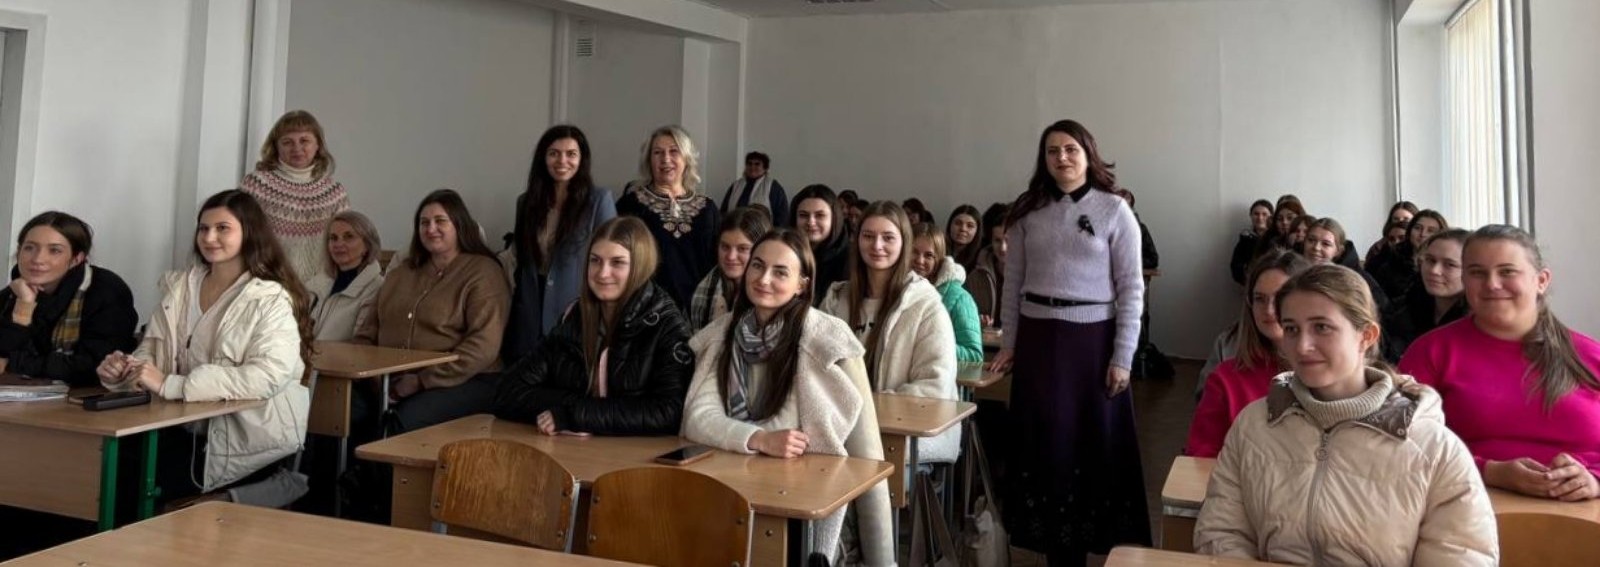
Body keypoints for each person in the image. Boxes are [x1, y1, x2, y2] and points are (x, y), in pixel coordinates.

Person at [1195, 264, 1497, 565]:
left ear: (1366, 336)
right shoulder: (1253, 426)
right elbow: (1222, 532)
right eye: (1291, 329)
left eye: (1321, 327)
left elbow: (1460, 555)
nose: (1302, 346)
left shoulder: (1434, 449)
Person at [681, 229, 893, 565]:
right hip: (730, 492)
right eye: (757, 266)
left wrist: (882, 560)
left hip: (806, 506)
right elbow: (698, 417)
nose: (764, 279)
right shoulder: (722, 333)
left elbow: (867, 461)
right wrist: (759, 439)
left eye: (780, 272)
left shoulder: (827, 341)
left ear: (802, 285)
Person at [989, 120, 1149, 563]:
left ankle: (1091, 544)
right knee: (1045, 443)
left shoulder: (1114, 211)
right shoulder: (1027, 212)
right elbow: (1013, 283)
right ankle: (1054, 549)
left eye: (1070, 149)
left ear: (1088, 154)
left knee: (1088, 444)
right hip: (1039, 341)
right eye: (1052, 151)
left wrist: (1123, 357)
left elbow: (1132, 288)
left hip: (1092, 344)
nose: (1061, 157)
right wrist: (1010, 343)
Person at [97, 190, 313, 507]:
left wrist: (173, 385)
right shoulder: (180, 288)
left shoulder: (269, 298)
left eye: (223, 228)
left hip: (242, 439)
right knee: (99, 465)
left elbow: (268, 376)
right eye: (203, 228)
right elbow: (151, 352)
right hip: (175, 425)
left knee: (129, 479)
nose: (209, 237)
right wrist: (126, 372)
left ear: (249, 233)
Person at [1399, 225, 1600, 501]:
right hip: (1465, 506)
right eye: (1477, 273)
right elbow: (1399, 443)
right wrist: (1489, 471)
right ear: (1465, 280)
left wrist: (1595, 480)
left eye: (1507, 272)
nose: (1492, 284)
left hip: (1585, 514)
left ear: (1541, 280)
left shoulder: (1590, 355)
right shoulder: (1431, 352)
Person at [493, 217, 691, 436]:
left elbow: (668, 412)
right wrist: (575, 407)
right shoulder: (574, 316)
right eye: (595, 260)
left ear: (640, 267)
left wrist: (575, 415)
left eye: (617, 262)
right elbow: (506, 392)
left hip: (641, 453)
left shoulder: (666, 323)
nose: (603, 273)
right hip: (577, 449)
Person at [354, 189, 510, 434]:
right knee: (341, 406)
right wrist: (372, 377)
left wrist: (422, 381)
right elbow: (367, 334)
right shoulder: (399, 274)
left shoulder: (484, 272)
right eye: (424, 222)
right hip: (387, 380)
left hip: (465, 380)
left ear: (459, 225)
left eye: (440, 221)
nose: (431, 229)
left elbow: (483, 347)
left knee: (403, 419)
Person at [821, 201, 960, 468]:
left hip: (902, 438)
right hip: (840, 433)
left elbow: (934, 387)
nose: (877, 246)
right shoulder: (836, 300)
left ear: (904, 243)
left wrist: (864, 411)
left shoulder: (926, 306)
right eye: (868, 236)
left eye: (888, 238)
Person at [504, 125, 618, 363]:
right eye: (554, 153)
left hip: (577, 308)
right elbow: (523, 261)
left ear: (581, 159)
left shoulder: (599, 201)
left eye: (571, 154)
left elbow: (610, 259)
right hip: (530, 310)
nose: (562, 161)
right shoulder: (526, 202)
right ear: (543, 158)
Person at [1184, 250, 1309, 457]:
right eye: (1260, 299)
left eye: (1280, 298)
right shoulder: (1225, 378)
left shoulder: (1326, 375)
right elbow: (1201, 455)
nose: (1269, 310)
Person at [0, 212, 138, 386]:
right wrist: (24, 306)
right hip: (25, 396)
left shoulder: (106, 290)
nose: (38, 259)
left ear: (76, 259)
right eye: (29, 248)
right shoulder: (14, 293)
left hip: (90, 396)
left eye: (54, 250)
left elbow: (94, 366)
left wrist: (13, 363)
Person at [240, 110, 351, 285]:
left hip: (320, 288)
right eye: (287, 142)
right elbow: (240, 236)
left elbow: (344, 242)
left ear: (318, 145)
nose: (297, 148)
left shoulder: (334, 193)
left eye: (304, 141)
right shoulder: (256, 185)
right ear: (276, 147)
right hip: (265, 284)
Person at [615, 125, 720, 310]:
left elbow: (716, 263)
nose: (666, 159)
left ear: (686, 158)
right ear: (649, 160)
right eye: (658, 152)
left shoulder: (707, 208)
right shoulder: (630, 205)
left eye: (674, 151)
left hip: (698, 309)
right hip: (646, 308)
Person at [1382, 229, 1470, 361]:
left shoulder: (1479, 322)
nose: (1434, 270)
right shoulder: (1404, 308)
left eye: (1450, 265)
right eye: (1430, 260)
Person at [689, 207, 772, 332]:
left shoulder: (770, 295)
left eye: (742, 249)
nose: (731, 257)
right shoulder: (705, 287)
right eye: (725, 247)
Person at [910, 222, 983, 363]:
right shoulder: (893, 290)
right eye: (914, 252)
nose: (919, 260)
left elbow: (974, 356)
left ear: (938, 259)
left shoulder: (960, 298)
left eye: (928, 255)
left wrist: (927, 346)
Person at [307, 211, 384, 342]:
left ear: (367, 245)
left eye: (349, 237)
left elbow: (360, 343)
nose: (339, 244)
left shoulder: (376, 288)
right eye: (333, 238)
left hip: (339, 354)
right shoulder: (317, 282)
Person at [1301, 217, 1389, 312]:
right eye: (1311, 240)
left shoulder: (1357, 280)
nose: (1316, 247)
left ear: (1339, 251)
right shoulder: (1294, 271)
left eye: (1326, 244)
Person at [790, 184, 850, 307]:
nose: (811, 222)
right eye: (803, 215)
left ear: (834, 218)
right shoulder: (786, 253)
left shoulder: (851, 259)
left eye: (820, 215)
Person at [1369, 210, 1449, 301]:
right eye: (1417, 228)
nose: (1422, 234)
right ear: (1410, 231)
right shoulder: (1390, 258)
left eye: (1431, 230)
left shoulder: (1447, 263)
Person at [967, 203, 1010, 328]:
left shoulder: (1031, 276)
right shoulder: (976, 277)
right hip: (986, 338)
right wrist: (977, 320)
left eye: (1008, 240)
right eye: (997, 240)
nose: (1003, 248)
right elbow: (966, 316)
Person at [718, 151, 788, 223]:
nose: (752, 167)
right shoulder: (736, 185)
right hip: (734, 227)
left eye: (757, 164)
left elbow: (782, 215)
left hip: (761, 229)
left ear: (765, 168)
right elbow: (724, 211)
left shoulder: (773, 187)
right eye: (749, 164)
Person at [1228, 199, 1273, 285]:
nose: (1260, 218)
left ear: (1271, 217)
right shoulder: (1245, 239)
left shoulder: (1277, 239)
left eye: (1264, 214)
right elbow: (1236, 267)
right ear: (1251, 216)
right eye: (1256, 214)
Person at [947, 205, 984, 274]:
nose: (963, 229)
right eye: (958, 223)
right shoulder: (939, 251)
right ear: (950, 226)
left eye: (970, 226)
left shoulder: (981, 258)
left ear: (977, 231)